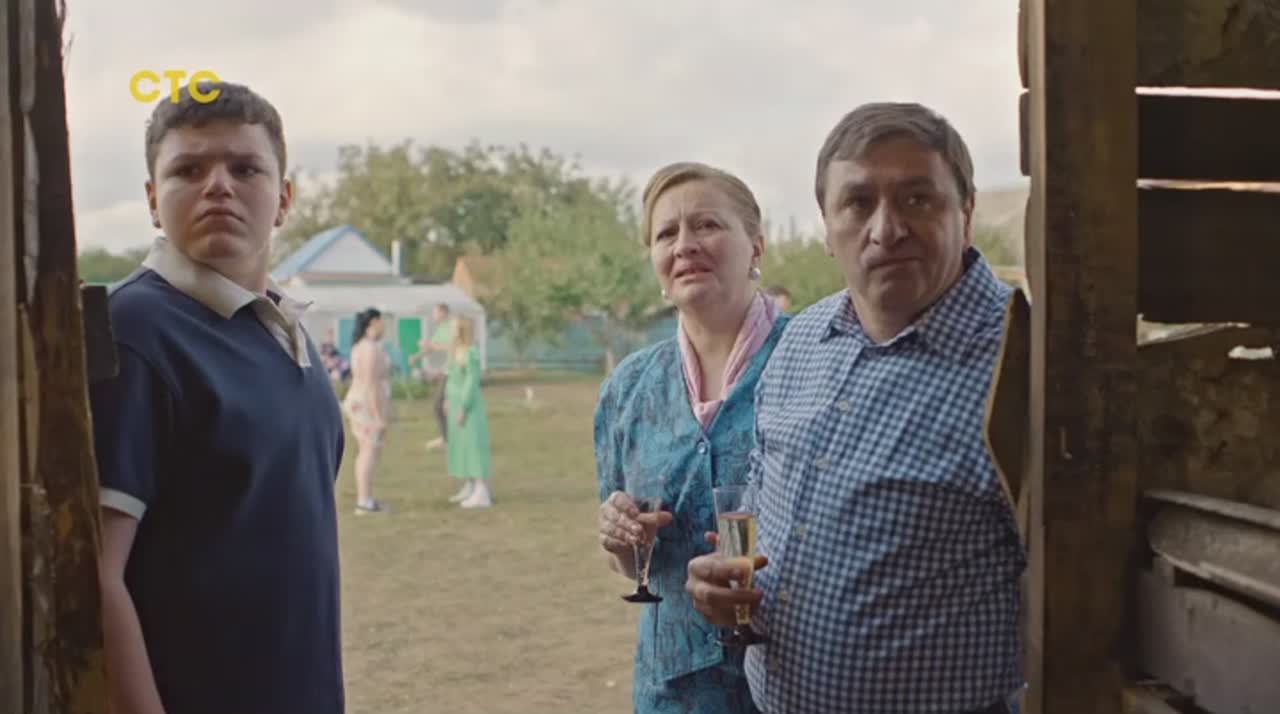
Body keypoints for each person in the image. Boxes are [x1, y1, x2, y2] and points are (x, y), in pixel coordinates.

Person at [686, 103, 1026, 714]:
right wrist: (725, 575)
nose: (886, 229)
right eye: (858, 203)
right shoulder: (801, 341)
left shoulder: (1026, 362)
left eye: (918, 199)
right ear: (827, 227)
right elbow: (760, 492)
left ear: (967, 213)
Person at [89, 80, 346, 714]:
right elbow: (92, 574)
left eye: (245, 168)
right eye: (188, 170)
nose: (218, 186)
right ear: (154, 201)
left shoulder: (288, 331)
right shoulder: (135, 333)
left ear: (284, 199)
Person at [593, 161, 790, 714]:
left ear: (756, 245)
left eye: (707, 224)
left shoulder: (814, 359)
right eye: (666, 234)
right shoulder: (628, 389)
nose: (685, 245)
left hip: (797, 680)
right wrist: (623, 543)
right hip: (673, 692)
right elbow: (632, 565)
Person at [343, 307, 394, 514]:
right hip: (366, 405)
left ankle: (366, 498)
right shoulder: (369, 349)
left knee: (367, 450)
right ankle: (364, 501)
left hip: (361, 402)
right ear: (373, 322)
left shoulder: (361, 346)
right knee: (368, 451)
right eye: (382, 321)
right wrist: (379, 416)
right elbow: (371, 383)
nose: (384, 326)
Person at [445, 316, 493, 508]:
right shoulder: (455, 351)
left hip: (469, 406)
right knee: (461, 445)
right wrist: (448, 400)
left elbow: (472, 381)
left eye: (453, 327)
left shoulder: (470, 352)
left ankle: (482, 492)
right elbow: (451, 378)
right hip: (455, 403)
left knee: (473, 445)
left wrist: (464, 407)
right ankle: (470, 484)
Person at [411, 303, 454, 453]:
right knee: (441, 405)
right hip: (448, 370)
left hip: (455, 371)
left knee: (442, 405)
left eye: (435, 313)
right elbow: (432, 347)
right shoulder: (441, 328)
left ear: (443, 312)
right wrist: (417, 357)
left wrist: (430, 344)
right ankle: (448, 438)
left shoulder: (453, 326)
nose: (433, 316)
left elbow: (452, 347)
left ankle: (449, 440)